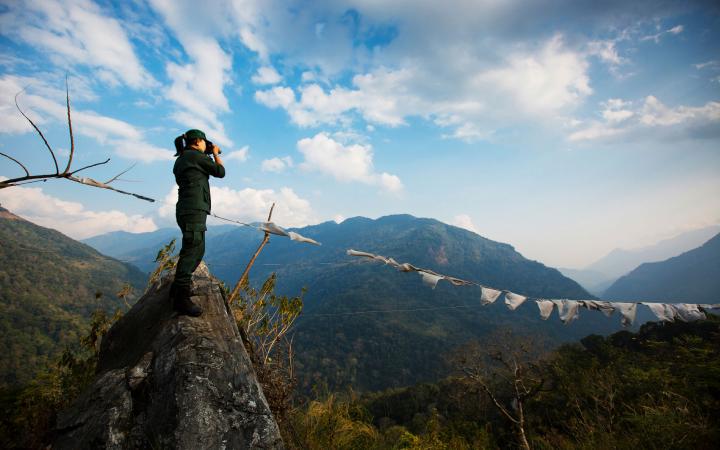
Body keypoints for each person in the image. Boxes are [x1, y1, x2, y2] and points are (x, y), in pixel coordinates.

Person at [169, 129, 225, 316]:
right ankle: (180, 299)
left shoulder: (183, 159)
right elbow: (220, 172)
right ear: (199, 141)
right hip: (193, 210)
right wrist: (215, 154)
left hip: (187, 209)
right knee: (193, 250)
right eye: (205, 143)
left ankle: (178, 289)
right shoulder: (194, 156)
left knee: (194, 249)